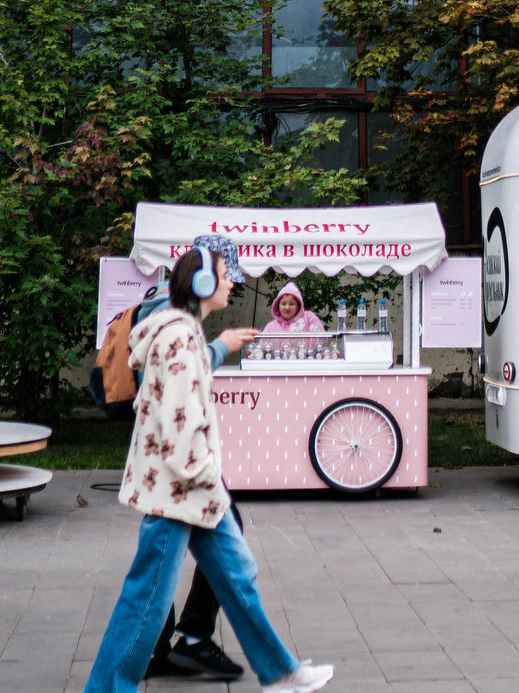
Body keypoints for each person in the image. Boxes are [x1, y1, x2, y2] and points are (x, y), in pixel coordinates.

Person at [85, 239, 333, 693]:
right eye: (225, 274)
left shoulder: (184, 332)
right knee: (146, 601)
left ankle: (280, 672)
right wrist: (206, 475)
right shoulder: (180, 338)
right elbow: (180, 429)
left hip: (190, 491)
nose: (232, 281)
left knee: (238, 578)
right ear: (200, 283)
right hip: (177, 492)